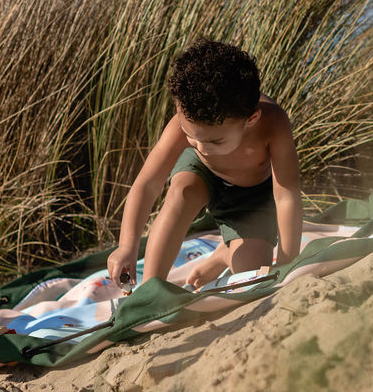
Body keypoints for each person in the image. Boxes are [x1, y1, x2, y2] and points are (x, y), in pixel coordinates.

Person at [106, 39, 302, 290]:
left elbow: (286, 194)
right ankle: (150, 289)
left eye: (215, 140)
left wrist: (287, 261)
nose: (201, 147)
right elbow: (147, 184)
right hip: (201, 175)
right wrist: (127, 246)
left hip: (250, 197)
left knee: (252, 271)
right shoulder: (185, 130)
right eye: (191, 135)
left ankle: (224, 254)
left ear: (251, 120)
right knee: (182, 192)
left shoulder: (274, 124)